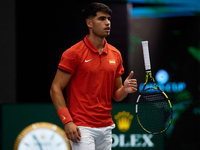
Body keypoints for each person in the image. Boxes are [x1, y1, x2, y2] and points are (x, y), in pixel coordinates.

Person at [50, 2, 137, 150]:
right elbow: (55, 88)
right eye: (101, 19)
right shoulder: (73, 53)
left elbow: (117, 95)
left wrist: (125, 90)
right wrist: (67, 121)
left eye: (108, 19)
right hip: (82, 127)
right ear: (89, 23)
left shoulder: (115, 55)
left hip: (106, 127)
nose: (107, 23)